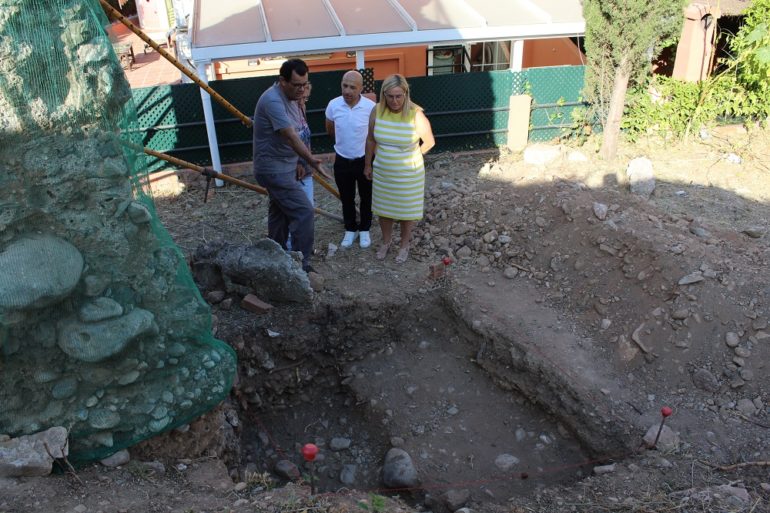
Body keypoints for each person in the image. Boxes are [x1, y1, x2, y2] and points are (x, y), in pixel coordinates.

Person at [252, 59, 330, 273]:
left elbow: (301, 132)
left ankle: (275, 257)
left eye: (305, 84)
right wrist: (310, 159)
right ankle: (301, 264)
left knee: (280, 213)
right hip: (273, 170)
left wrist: (300, 160)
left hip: (286, 166)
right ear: (282, 81)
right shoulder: (272, 100)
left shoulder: (295, 98)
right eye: (297, 85)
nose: (302, 89)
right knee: (304, 212)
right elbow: (290, 135)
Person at [364, 74, 435, 264]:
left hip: (409, 174)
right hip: (384, 170)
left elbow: (429, 142)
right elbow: (371, 139)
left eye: (398, 96)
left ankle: (404, 245)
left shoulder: (415, 114)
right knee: (384, 209)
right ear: (384, 95)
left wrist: (414, 156)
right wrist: (367, 164)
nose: (394, 101)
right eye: (390, 96)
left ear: (405, 94)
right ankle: (386, 242)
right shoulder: (377, 111)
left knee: (406, 211)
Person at [325, 71, 376, 249]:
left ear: (361, 88)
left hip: (364, 160)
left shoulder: (371, 107)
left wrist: (368, 162)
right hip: (342, 160)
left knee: (366, 197)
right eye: (345, 86)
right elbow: (330, 130)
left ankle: (364, 230)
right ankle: (350, 229)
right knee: (346, 197)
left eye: (352, 87)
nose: (347, 91)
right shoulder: (333, 105)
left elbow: (374, 135)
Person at [286, 82, 313, 251]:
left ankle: (303, 248)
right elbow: (289, 141)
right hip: (292, 170)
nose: (303, 101)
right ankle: (291, 248)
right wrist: (299, 162)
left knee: (307, 209)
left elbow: (305, 139)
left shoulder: (301, 110)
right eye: (301, 97)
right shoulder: (286, 112)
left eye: (306, 98)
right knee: (294, 211)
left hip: (306, 170)